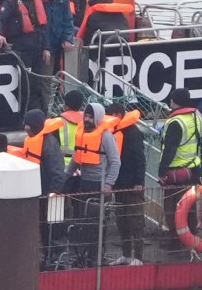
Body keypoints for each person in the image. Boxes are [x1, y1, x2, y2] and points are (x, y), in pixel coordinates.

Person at [65, 103, 121, 266]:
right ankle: (85, 255)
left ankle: (97, 257)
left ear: (97, 117)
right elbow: (76, 158)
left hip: (99, 185)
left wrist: (109, 184)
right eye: (86, 116)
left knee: (98, 223)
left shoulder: (105, 136)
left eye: (90, 117)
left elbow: (115, 162)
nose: (87, 120)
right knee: (85, 222)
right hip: (84, 183)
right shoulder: (82, 132)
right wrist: (66, 177)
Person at [0, 0, 49, 111]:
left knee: (36, 84)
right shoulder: (10, 2)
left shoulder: (37, 0)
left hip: (37, 49)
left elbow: (43, 27)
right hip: (21, 50)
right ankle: (26, 113)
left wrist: (46, 48)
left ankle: (36, 113)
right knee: (25, 84)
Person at [158, 88, 202, 248]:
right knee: (189, 206)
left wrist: (161, 172)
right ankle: (190, 236)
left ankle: (175, 239)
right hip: (193, 167)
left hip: (175, 171)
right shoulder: (195, 117)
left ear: (174, 101)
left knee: (172, 207)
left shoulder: (176, 122)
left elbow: (169, 149)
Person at [22, 109, 65, 265]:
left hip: (51, 194)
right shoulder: (33, 140)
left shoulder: (49, 143)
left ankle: (56, 258)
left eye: (29, 125)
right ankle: (46, 256)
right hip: (37, 192)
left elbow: (57, 170)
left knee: (54, 227)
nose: (26, 128)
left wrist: (54, 192)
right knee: (42, 227)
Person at [106, 104, 146, 266]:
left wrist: (139, 182)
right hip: (119, 184)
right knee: (121, 221)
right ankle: (126, 254)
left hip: (132, 185)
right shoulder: (113, 132)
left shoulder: (134, 133)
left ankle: (139, 256)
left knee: (135, 220)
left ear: (119, 114)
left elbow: (140, 159)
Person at [38, 0, 74, 113]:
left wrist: (68, 39)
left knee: (56, 77)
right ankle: (47, 109)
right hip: (43, 46)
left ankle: (54, 105)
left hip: (58, 45)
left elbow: (68, 20)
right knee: (45, 80)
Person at [57, 89, 84, 167]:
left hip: (62, 164)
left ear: (65, 104)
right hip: (82, 165)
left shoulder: (56, 122)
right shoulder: (87, 122)